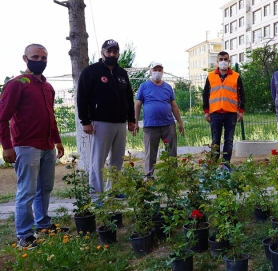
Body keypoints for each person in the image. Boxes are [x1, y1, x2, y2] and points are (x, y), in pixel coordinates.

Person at [0, 44, 66, 249]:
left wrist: (57, 140)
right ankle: (24, 235)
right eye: (35, 57)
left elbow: (51, 117)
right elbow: (2, 118)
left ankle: (43, 225)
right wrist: (7, 146)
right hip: (26, 146)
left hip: (47, 145)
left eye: (44, 58)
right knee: (27, 191)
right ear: (25, 58)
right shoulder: (17, 84)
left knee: (44, 189)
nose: (40, 61)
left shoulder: (47, 87)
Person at [77, 39, 136, 200]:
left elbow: (128, 98)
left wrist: (131, 119)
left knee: (117, 159)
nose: (112, 54)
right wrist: (85, 121)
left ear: (118, 53)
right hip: (100, 123)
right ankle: (97, 196)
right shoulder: (90, 72)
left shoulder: (122, 73)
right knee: (98, 160)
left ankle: (114, 190)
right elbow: (82, 97)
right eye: (108, 51)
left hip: (120, 123)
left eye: (114, 51)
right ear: (103, 52)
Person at [134, 62, 184, 178]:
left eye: (160, 70)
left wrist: (180, 123)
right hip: (151, 125)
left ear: (162, 72)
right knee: (150, 153)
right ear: (151, 71)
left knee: (171, 151)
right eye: (155, 69)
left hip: (168, 124)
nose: (158, 72)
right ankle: (149, 176)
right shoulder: (144, 86)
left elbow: (174, 106)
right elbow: (137, 105)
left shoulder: (168, 87)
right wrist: (135, 122)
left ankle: (172, 175)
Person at [202, 51, 245, 170]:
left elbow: (241, 94)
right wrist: (206, 111)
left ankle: (226, 165)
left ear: (229, 61)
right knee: (215, 141)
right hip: (215, 113)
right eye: (221, 59)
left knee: (229, 141)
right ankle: (214, 165)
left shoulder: (236, 76)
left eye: (225, 59)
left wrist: (241, 111)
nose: (223, 61)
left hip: (231, 113)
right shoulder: (210, 76)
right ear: (217, 61)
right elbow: (205, 94)